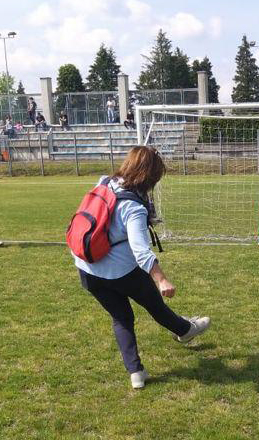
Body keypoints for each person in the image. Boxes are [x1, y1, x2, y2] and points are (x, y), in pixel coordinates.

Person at [72, 146, 211, 389]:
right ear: (150, 177)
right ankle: (186, 330)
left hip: (87, 267)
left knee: (121, 318)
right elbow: (140, 250)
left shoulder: (104, 182)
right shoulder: (133, 207)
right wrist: (161, 279)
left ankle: (135, 373)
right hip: (121, 271)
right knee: (155, 305)